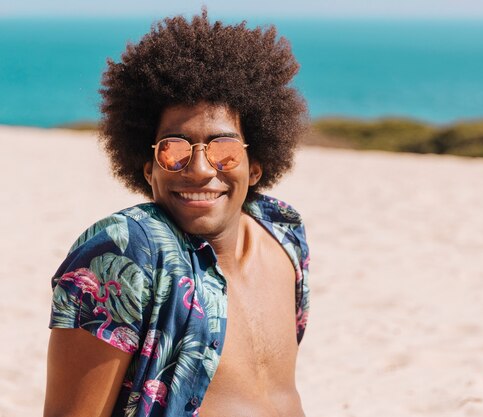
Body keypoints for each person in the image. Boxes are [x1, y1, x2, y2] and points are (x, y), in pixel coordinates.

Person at [44, 10, 310, 417]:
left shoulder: (285, 234)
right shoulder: (123, 251)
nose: (201, 170)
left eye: (224, 149)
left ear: (255, 165)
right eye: (174, 148)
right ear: (148, 168)